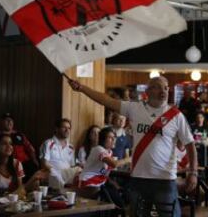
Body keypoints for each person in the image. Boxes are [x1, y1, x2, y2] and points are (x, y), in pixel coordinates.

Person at [68, 76, 197, 217]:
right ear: (148, 91)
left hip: (165, 180)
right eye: (158, 87)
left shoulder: (176, 116)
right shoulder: (135, 108)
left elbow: (190, 145)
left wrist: (193, 172)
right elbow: (106, 100)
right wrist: (81, 88)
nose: (164, 91)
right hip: (139, 179)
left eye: (166, 88)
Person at [78, 127, 130, 208]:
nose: (113, 140)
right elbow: (114, 164)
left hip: (100, 184)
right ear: (102, 139)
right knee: (116, 202)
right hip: (88, 183)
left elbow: (105, 173)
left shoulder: (110, 152)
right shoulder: (98, 149)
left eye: (114, 137)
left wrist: (114, 184)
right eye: (110, 137)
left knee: (121, 196)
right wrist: (129, 159)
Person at [0, 113, 39, 181]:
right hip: (10, 164)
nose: (9, 122)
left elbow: (30, 148)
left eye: (11, 120)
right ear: (1, 122)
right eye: (6, 120)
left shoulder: (19, 134)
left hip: (25, 162)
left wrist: (34, 159)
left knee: (34, 170)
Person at [40, 118, 81, 191]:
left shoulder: (71, 147)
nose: (67, 130)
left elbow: (72, 166)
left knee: (79, 170)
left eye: (69, 128)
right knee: (54, 174)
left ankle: (76, 195)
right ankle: (65, 192)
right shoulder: (48, 143)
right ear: (56, 129)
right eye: (64, 127)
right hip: (52, 173)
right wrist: (55, 172)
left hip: (66, 173)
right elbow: (44, 164)